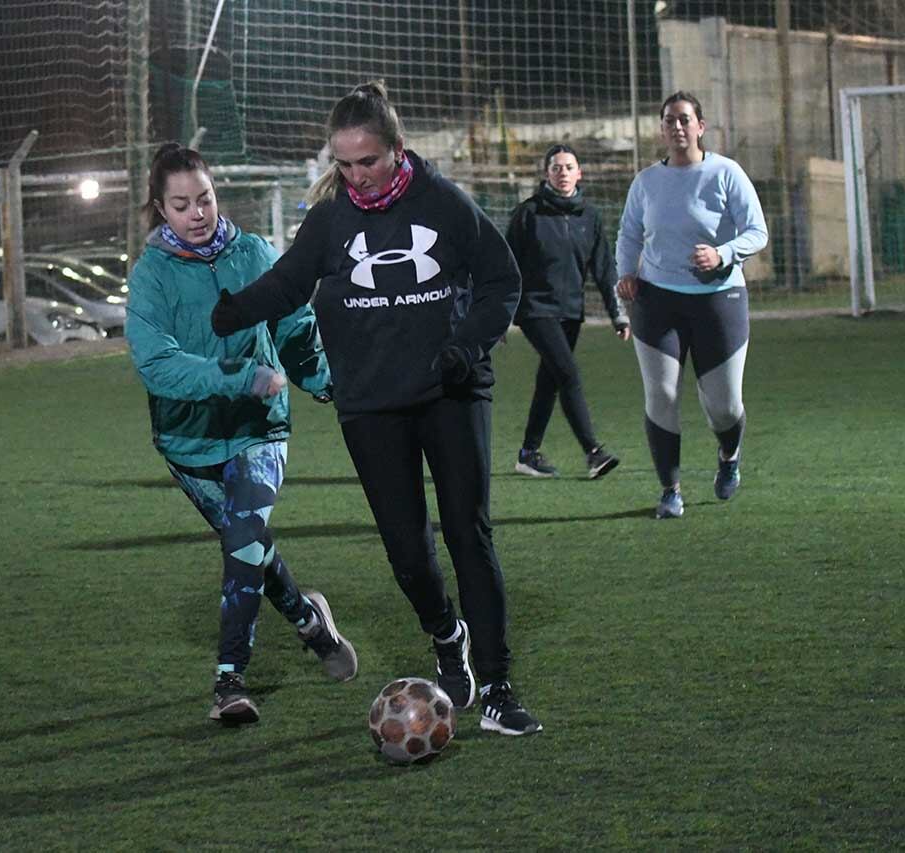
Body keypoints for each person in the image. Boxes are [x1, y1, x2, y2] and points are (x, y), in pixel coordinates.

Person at [212, 81, 541, 736]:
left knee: (467, 534)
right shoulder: (331, 216)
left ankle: (500, 687)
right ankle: (448, 637)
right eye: (344, 163)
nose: (356, 175)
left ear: (397, 148)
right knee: (406, 552)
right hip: (368, 401)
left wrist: (465, 344)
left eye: (368, 161)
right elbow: (288, 280)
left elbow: (504, 282)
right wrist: (234, 310)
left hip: (450, 390)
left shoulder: (444, 204)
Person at [125, 143, 356, 726]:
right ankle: (309, 620)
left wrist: (328, 383)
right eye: (181, 205)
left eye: (204, 198)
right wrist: (237, 376)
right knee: (247, 547)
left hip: (260, 432)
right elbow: (156, 364)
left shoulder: (253, 253)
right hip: (188, 445)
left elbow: (295, 327)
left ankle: (230, 680)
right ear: (160, 209)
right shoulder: (150, 275)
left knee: (244, 543)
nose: (197, 213)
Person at [615, 91, 769, 520]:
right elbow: (628, 235)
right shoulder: (646, 182)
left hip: (719, 300)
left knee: (724, 406)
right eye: (669, 121)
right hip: (657, 301)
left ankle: (729, 453)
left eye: (685, 119)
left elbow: (757, 231)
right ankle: (670, 489)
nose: (677, 127)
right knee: (662, 393)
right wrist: (625, 273)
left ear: (701, 126)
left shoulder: (726, 173)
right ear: (661, 130)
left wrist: (723, 253)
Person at [506, 143, 629, 480]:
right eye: (556, 167)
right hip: (536, 309)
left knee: (550, 381)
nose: (562, 173)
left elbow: (604, 269)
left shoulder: (590, 216)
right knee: (568, 374)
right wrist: (500, 314)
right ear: (546, 173)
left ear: (580, 173)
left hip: (571, 312)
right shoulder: (527, 214)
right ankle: (593, 452)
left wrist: (617, 313)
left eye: (569, 167)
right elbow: (507, 265)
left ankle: (528, 454)